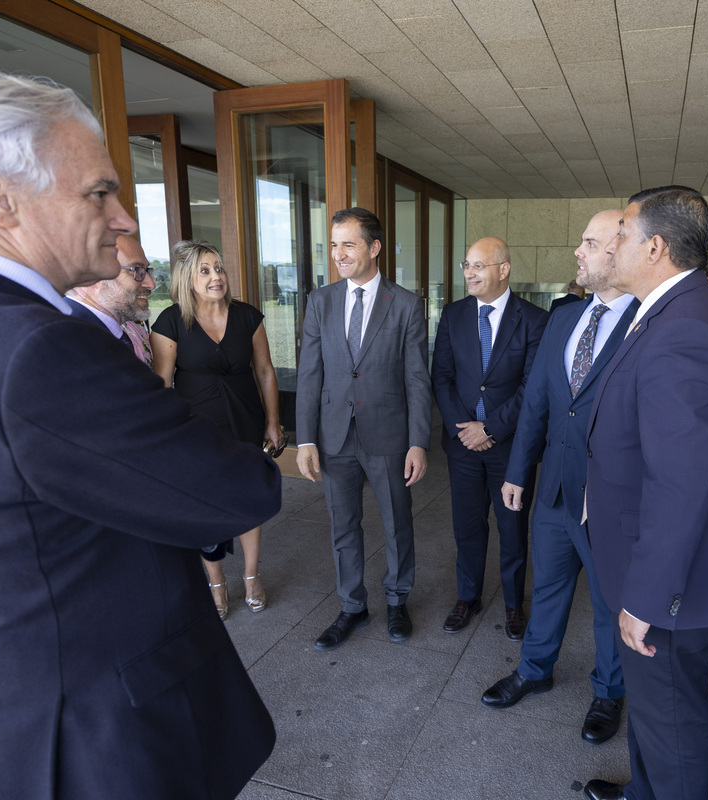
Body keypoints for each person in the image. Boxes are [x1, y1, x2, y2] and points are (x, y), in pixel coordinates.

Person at [0, 45, 280, 800]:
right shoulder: (37, 344)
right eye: (98, 193)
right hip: (98, 739)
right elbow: (237, 491)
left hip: (1, 725)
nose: (123, 218)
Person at [582, 186, 708, 800]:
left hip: (671, 581)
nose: (613, 244)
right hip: (659, 565)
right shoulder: (672, 310)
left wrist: (648, 595)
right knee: (656, 710)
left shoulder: (687, 327)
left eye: (624, 233)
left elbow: (679, 482)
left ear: (655, 246)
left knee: (673, 717)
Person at [481, 210, 636, 744]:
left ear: (620, 251)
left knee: (610, 602)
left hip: (609, 499)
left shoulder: (647, 322)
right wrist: (518, 472)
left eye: (589, 243)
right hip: (551, 491)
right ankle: (534, 670)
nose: (578, 252)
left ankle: (609, 692)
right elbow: (539, 406)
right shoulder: (565, 316)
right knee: (546, 586)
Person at [295, 207, 431, 650]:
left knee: (397, 524)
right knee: (343, 526)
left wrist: (418, 442)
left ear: (374, 248)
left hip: (389, 435)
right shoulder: (320, 300)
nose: (338, 254)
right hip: (334, 436)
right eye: (333, 245)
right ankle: (352, 606)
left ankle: (397, 600)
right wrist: (307, 439)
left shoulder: (407, 304)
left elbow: (416, 378)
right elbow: (309, 374)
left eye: (348, 244)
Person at [151, 240, 284, 617]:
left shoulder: (247, 316)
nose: (216, 277)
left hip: (246, 419)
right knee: (207, 504)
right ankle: (215, 582)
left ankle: (252, 576)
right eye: (206, 271)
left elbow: (264, 371)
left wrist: (273, 421)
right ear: (188, 280)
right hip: (196, 428)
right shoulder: (170, 322)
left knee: (247, 497)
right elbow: (161, 383)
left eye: (219, 268)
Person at [432, 236, 547, 639]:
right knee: (467, 526)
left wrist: (491, 429)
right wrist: (465, 430)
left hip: (510, 447)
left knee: (512, 528)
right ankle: (469, 596)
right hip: (463, 445)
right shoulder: (453, 315)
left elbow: (533, 388)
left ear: (504, 268)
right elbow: (442, 378)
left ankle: (515, 605)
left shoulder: (534, 319)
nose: (469, 273)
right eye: (467, 265)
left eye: (479, 266)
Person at [66, 233, 155, 365]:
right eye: (137, 270)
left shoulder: (109, 330)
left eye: (146, 270)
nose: (151, 284)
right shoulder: (67, 339)